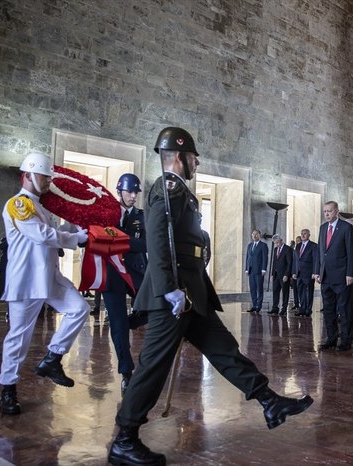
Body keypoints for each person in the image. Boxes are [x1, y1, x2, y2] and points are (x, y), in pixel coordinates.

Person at [108, 127, 312, 466]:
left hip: (191, 294)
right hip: (173, 298)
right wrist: (168, 288)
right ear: (178, 156)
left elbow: (187, 241)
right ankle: (125, 439)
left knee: (224, 349)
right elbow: (159, 239)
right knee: (152, 368)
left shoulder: (181, 191)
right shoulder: (168, 186)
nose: (197, 161)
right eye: (193, 156)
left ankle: (268, 400)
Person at [0, 151, 90, 415]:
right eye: (43, 175)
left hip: (49, 277)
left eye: (49, 175)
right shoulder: (18, 204)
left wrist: (77, 227)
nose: (48, 180)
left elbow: (56, 234)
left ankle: (53, 358)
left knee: (79, 309)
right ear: (27, 176)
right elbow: (42, 235)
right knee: (19, 338)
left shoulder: (41, 206)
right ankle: (8, 389)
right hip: (26, 281)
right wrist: (74, 239)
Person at [102, 173, 148, 395]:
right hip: (111, 276)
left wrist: (122, 242)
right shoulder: (106, 213)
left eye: (135, 192)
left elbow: (148, 244)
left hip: (137, 273)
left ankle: (131, 322)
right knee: (118, 326)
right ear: (119, 191)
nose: (133, 196)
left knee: (153, 309)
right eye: (129, 192)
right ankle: (126, 373)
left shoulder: (142, 216)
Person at [314, 201, 353, 351]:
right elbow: (320, 251)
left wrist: (350, 273)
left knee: (344, 310)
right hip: (326, 276)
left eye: (329, 211)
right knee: (329, 309)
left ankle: (346, 340)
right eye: (324, 211)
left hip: (342, 276)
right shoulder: (323, 228)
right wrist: (317, 270)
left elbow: (351, 252)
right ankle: (331, 338)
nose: (326, 214)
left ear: (336, 211)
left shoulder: (346, 227)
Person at [293, 229, 317, 317]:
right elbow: (295, 260)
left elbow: (315, 260)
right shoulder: (298, 245)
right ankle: (302, 309)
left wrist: (315, 272)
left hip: (309, 273)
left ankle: (308, 309)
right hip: (299, 273)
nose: (303, 235)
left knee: (309, 292)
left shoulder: (313, 245)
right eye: (302, 234)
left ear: (309, 235)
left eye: (305, 234)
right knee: (300, 291)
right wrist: (294, 272)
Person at [269, 234, 292, 316]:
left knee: (285, 292)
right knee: (275, 291)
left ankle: (284, 309)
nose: (277, 244)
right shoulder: (275, 249)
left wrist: (287, 274)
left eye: (278, 242)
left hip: (284, 275)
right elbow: (274, 263)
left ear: (281, 240)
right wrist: (272, 275)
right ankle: (275, 308)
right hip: (276, 275)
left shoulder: (287, 249)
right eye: (275, 243)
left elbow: (289, 263)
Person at [245, 229, 268, 313]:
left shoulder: (263, 245)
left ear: (259, 235)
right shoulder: (250, 245)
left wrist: (264, 269)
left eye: (256, 234)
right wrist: (246, 269)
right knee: (252, 289)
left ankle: (259, 305)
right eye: (253, 234)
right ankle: (254, 305)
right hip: (251, 271)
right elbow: (247, 258)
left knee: (259, 289)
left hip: (259, 270)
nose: (254, 236)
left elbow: (265, 258)